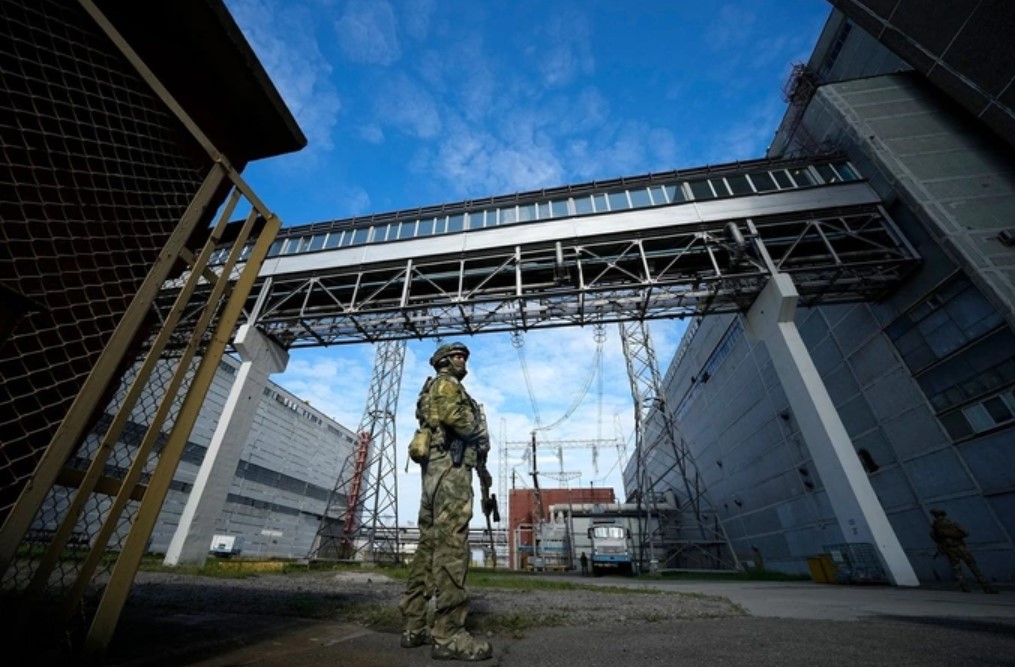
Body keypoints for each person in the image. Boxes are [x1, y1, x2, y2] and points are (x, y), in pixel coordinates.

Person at [399, 342, 494, 661]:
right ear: (443, 361)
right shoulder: (447, 384)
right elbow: (457, 420)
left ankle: (414, 626)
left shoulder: (433, 387)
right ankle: (449, 634)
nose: (462, 360)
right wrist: (481, 433)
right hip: (451, 471)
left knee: (428, 545)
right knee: (452, 544)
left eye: (464, 356)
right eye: (456, 356)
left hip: (435, 472)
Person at [929, 508, 998, 594]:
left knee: (957, 569)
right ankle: (986, 587)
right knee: (973, 567)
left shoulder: (935, 527)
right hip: (960, 548)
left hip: (950, 549)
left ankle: (964, 587)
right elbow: (965, 533)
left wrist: (943, 537)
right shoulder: (952, 523)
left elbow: (934, 538)